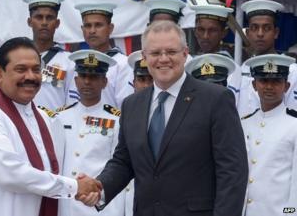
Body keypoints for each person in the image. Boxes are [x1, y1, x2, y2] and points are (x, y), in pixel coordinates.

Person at [78, 20, 248, 216]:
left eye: (171, 52)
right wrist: (99, 188)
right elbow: (124, 162)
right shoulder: (132, 104)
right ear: (144, 57)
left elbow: (233, 172)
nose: (164, 59)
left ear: (185, 54)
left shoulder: (216, 99)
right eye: (156, 53)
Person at [0, 37, 101, 216]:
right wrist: (74, 186)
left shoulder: (46, 118)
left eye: (36, 69)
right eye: (21, 69)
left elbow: (55, 173)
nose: (31, 76)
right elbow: (10, 175)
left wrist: (85, 190)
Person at [57, 49, 126, 216]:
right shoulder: (59, 117)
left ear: (104, 82)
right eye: (83, 76)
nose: (87, 82)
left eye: (94, 77)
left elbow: (119, 167)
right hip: (67, 205)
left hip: (100, 207)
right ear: (75, 80)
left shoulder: (118, 120)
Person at [241, 54, 297, 216]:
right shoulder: (244, 123)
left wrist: (290, 214)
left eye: (276, 81)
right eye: (264, 81)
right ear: (254, 84)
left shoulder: (294, 125)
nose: (269, 87)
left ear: (286, 86)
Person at [68, 3, 134, 108]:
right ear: (82, 29)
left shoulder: (123, 64)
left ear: (110, 28)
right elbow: (70, 103)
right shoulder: (75, 62)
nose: (92, 31)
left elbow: (126, 107)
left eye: (98, 25)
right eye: (88, 26)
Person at [232, 0, 287, 117]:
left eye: (266, 28)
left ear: (276, 33)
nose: (260, 34)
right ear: (247, 33)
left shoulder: (291, 70)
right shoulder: (238, 72)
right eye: (254, 28)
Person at [22, 0, 75, 110]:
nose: (44, 22)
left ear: (57, 23)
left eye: (49, 17)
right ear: (29, 22)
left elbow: (73, 103)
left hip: (55, 125)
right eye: (39, 17)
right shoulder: (18, 57)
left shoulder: (69, 62)